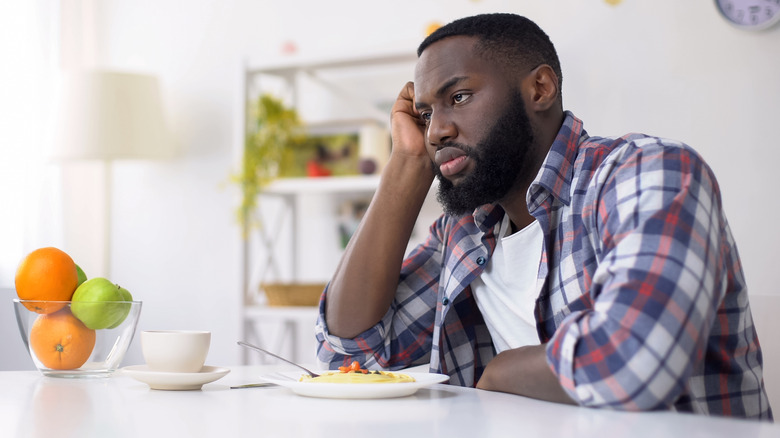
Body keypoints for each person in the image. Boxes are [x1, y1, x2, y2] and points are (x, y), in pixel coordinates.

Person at [314, 13, 772, 420]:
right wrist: (406, 167)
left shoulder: (648, 173)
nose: (436, 131)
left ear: (540, 88)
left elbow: (634, 362)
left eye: (460, 96)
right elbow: (352, 355)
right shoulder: (465, 231)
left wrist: (499, 373)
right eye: (427, 113)